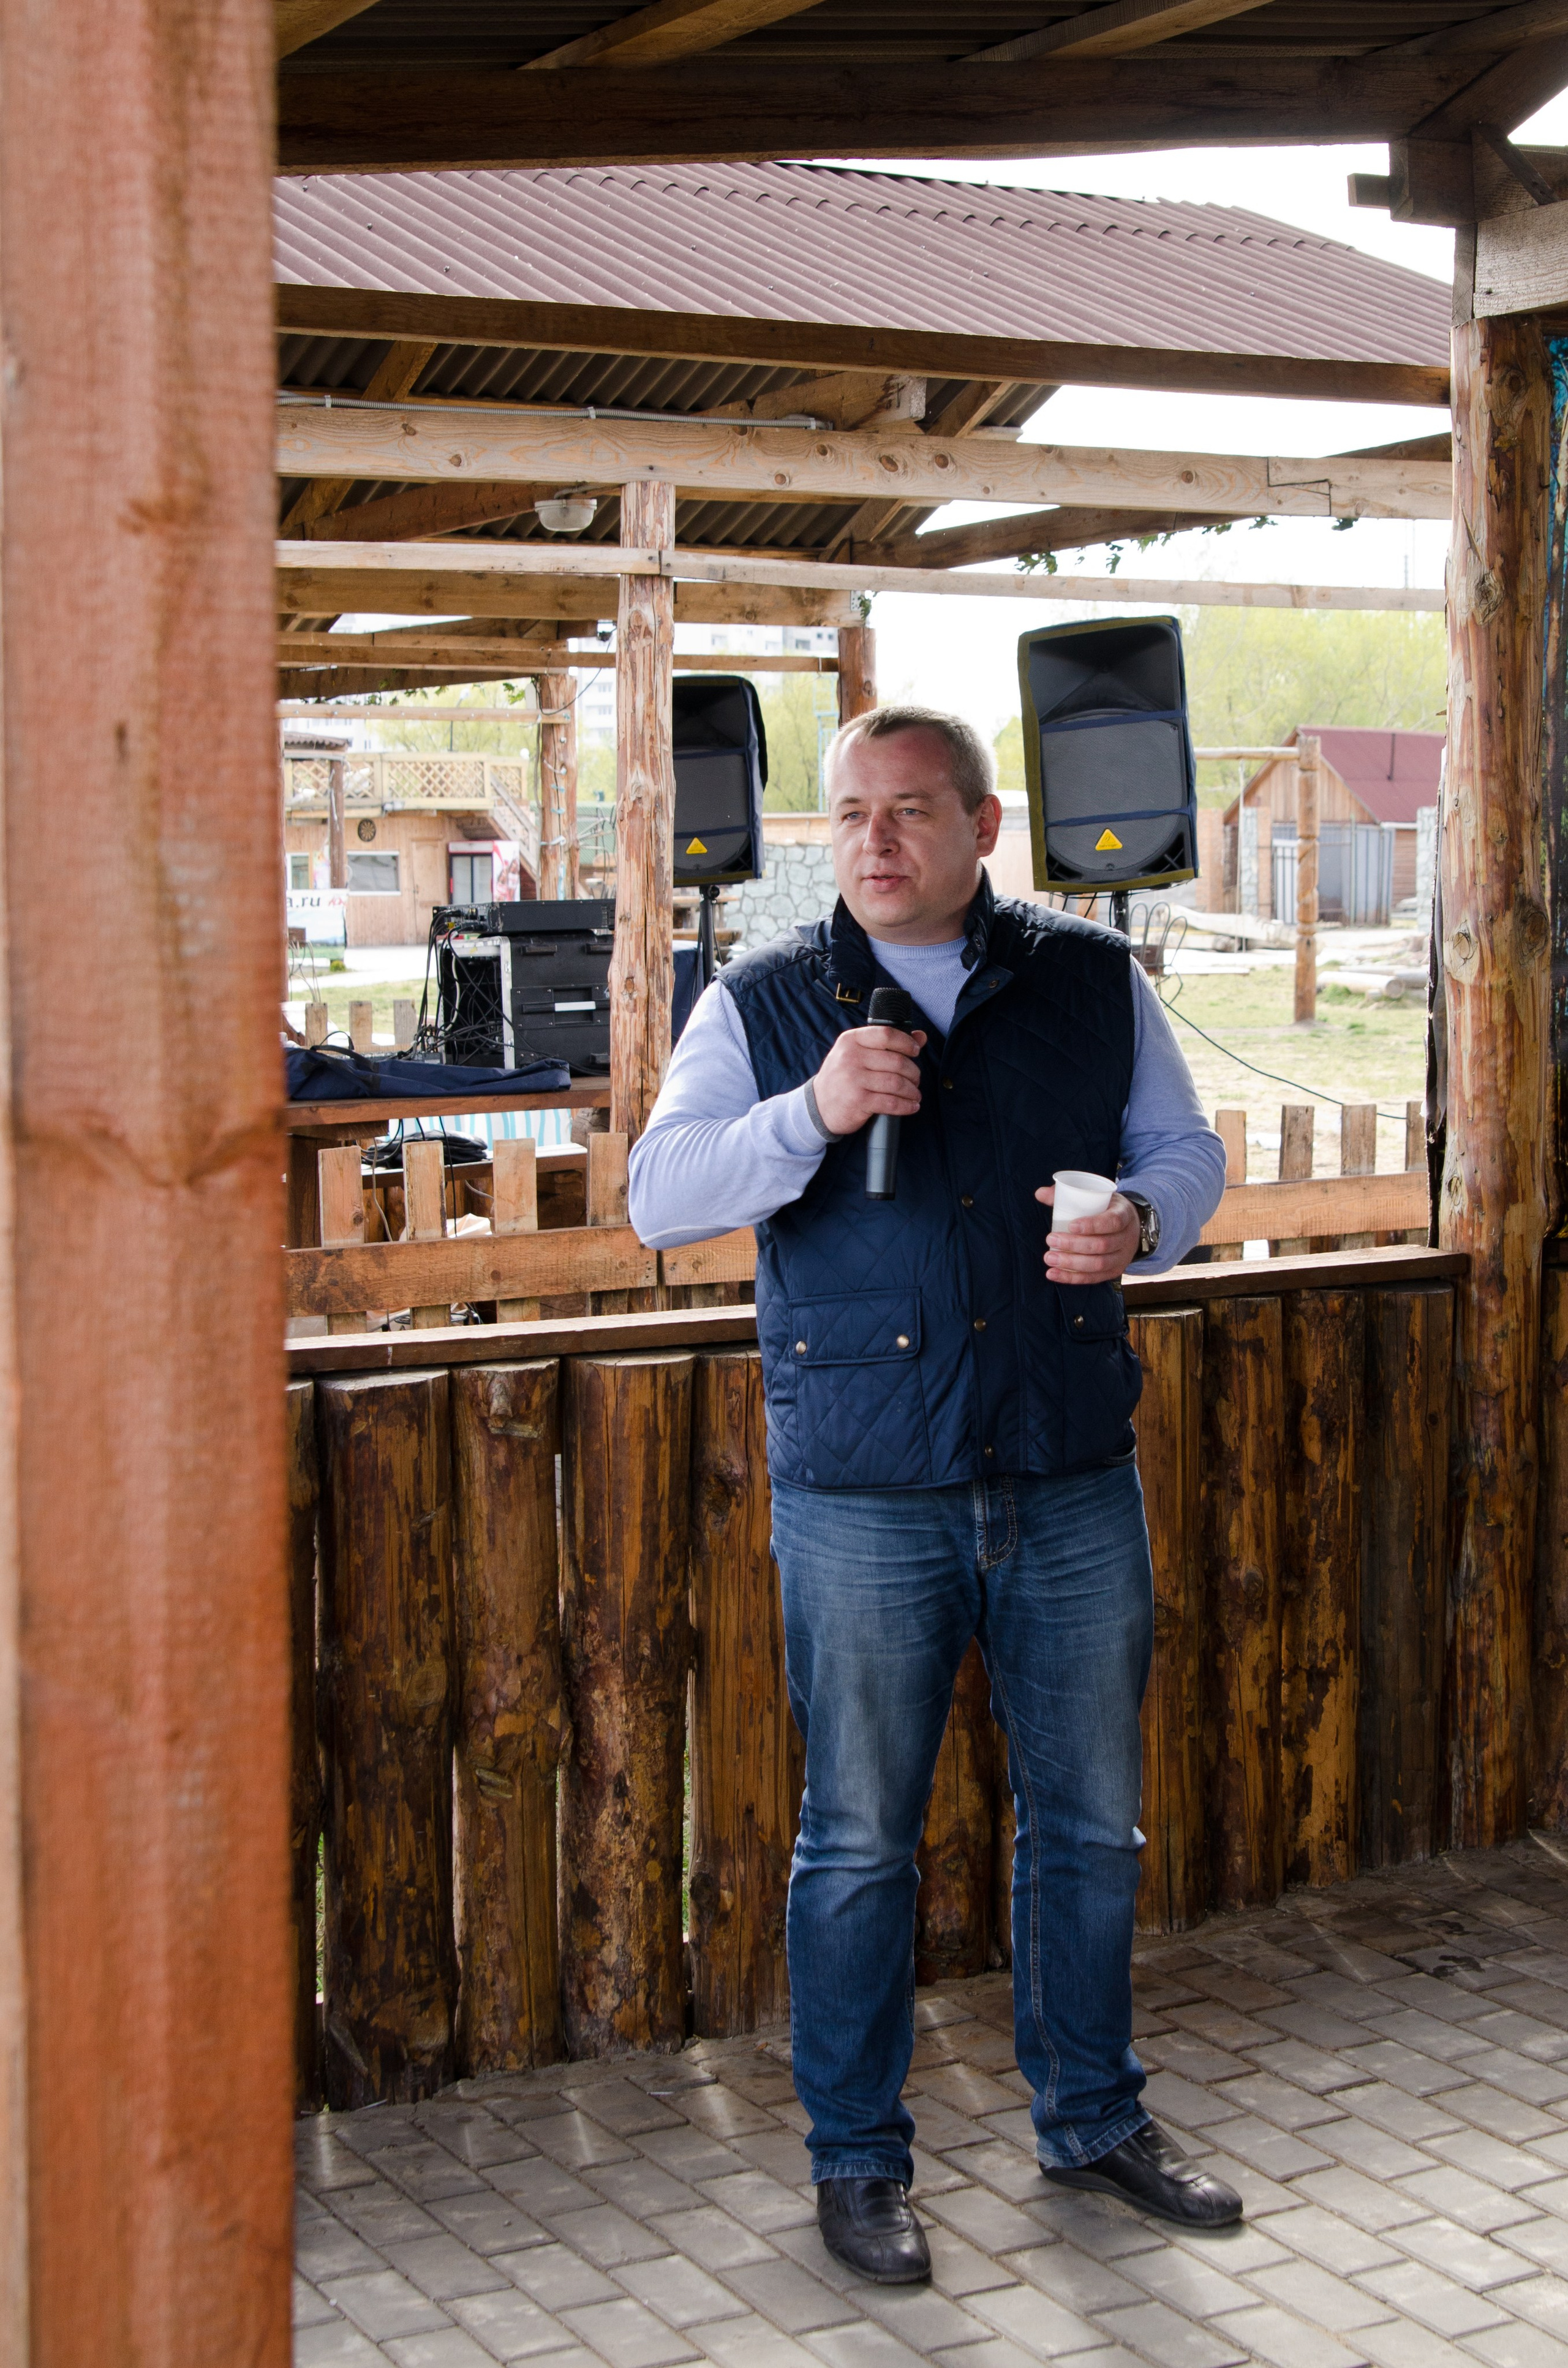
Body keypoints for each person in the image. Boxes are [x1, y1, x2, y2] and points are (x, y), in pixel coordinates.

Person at [627, 705, 1236, 2284]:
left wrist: (1149, 1225)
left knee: (1092, 1830)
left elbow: (1184, 1147)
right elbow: (658, 1197)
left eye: (910, 811)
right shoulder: (761, 1002)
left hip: (1066, 1472)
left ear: (982, 827)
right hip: (865, 1493)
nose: (877, 842)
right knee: (856, 1844)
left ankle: (1094, 2121)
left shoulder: (1091, 979)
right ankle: (856, 2163)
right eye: (849, 816)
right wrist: (813, 1112)